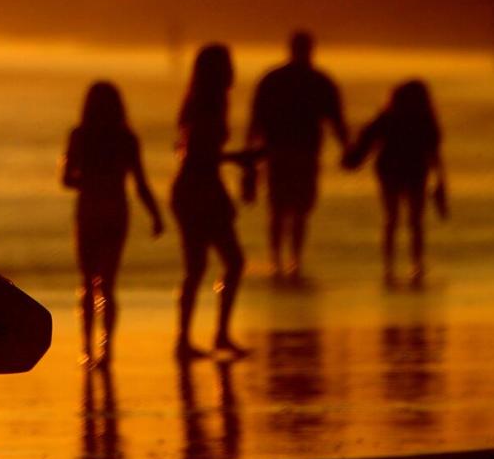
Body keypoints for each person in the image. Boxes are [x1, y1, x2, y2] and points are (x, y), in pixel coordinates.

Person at [62, 82, 164, 369]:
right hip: (116, 211)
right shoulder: (126, 137)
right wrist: (156, 215)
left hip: (90, 210)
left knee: (87, 282)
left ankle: (86, 349)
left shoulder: (80, 135)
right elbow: (141, 183)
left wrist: (90, 180)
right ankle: (107, 351)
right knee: (108, 284)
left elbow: (67, 179)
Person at [171, 44, 254, 361]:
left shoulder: (203, 101)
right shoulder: (207, 103)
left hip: (198, 186)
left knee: (208, 265)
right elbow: (197, 154)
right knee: (221, 263)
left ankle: (198, 337)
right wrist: (237, 158)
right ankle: (199, 337)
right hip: (197, 187)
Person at [245, 31, 348, 280]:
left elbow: (255, 122)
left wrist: (250, 158)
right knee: (297, 209)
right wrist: (348, 149)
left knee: (280, 208)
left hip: (280, 152)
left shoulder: (273, 79)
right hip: (299, 152)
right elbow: (335, 120)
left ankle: (279, 259)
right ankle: (291, 260)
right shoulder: (319, 81)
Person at [343, 80, 447, 286]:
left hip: (389, 170)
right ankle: (416, 264)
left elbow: (368, 140)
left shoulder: (388, 117)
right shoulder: (425, 120)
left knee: (391, 218)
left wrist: (353, 159)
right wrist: (440, 181)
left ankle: (389, 266)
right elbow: (434, 154)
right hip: (415, 171)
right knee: (415, 221)